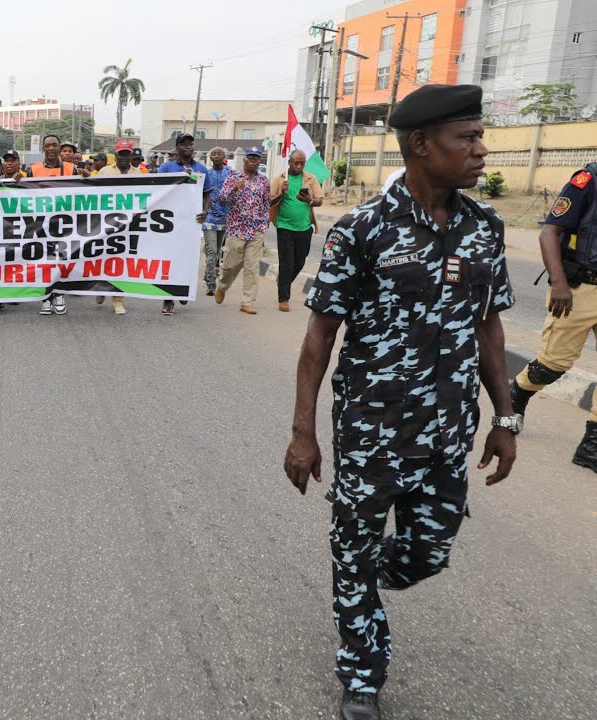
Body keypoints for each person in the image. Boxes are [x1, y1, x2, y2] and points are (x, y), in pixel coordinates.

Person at [284, 84, 516, 720]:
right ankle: (362, 673)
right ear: (421, 145)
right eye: (465, 138)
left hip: (448, 431)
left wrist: (507, 417)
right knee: (354, 553)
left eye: (478, 136)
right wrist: (304, 433)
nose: (480, 150)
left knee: (425, 558)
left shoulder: (484, 226)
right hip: (372, 429)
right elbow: (318, 340)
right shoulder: (362, 231)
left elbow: (490, 328)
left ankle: (363, 573)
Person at [509, 157, 597, 464]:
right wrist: (558, 282)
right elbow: (549, 232)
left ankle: (591, 446)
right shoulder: (587, 180)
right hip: (578, 288)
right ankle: (518, 393)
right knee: (553, 364)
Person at [156, 134, 213, 316]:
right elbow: (158, 190)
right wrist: (179, 178)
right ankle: (168, 301)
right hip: (171, 221)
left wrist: (205, 212)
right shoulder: (167, 167)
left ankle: (183, 289)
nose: (188, 147)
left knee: (188, 258)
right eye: (184, 144)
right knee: (171, 261)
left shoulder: (201, 169)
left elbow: (207, 194)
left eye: (191, 144)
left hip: (192, 222)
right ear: (177, 147)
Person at [214, 146, 270, 315]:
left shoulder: (264, 181)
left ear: (260, 161)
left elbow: (266, 202)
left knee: (252, 267)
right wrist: (235, 189)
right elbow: (222, 200)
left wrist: (265, 220)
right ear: (244, 160)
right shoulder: (233, 177)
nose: (253, 161)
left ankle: (247, 301)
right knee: (231, 265)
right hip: (237, 228)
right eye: (250, 158)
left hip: (256, 229)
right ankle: (222, 286)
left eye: (256, 158)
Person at [27, 135, 77, 316]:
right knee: (44, 260)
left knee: (61, 259)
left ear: (59, 148)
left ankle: (59, 294)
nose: (51, 148)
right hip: (41, 224)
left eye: (55, 145)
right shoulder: (33, 170)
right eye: (47, 145)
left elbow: (82, 192)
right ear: (43, 149)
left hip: (64, 223)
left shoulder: (72, 169)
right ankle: (46, 297)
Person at [93, 140, 145, 315]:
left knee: (122, 261)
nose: (123, 157)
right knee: (103, 258)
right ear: (115, 155)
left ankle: (118, 301)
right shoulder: (104, 172)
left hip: (128, 226)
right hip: (106, 224)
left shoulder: (139, 174)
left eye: (126, 154)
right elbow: (92, 193)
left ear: (131, 155)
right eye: (121, 154)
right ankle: (101, 288)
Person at [270, 150, 325, 311]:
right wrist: (281, 193)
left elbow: (319, 201)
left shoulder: (310, 179)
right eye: (296, 163)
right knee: (286, 263)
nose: (299, 166)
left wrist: (310, 200)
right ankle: (284, 298)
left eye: (302, 163)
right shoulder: (280, 179)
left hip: (304, 227)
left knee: (299, 262)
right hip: (284, 227)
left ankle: (283, 281)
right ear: (290, 162)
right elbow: (269, 201)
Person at [201, 147, 234, 297]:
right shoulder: (206, 174)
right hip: (208, 216)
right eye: (212, 153)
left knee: (218, 250)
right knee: (211, 250)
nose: (216, 156)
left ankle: (210, 271)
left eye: (218, 154)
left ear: (224, 156)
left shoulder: (231, 173)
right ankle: (210, 283)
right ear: (210, 157)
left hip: (224, 217)